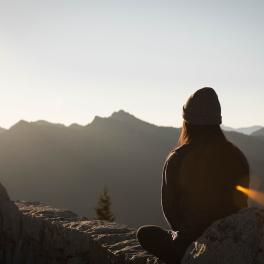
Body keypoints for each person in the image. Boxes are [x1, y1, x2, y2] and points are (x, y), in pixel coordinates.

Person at [136, 87, 249, 264]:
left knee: (145, 234)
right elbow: (242, 204)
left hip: (191, 245)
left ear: (187, 122)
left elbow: (171, 211)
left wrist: (182, 234)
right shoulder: (237, 157)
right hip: (232, 239)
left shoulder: (177, 158)